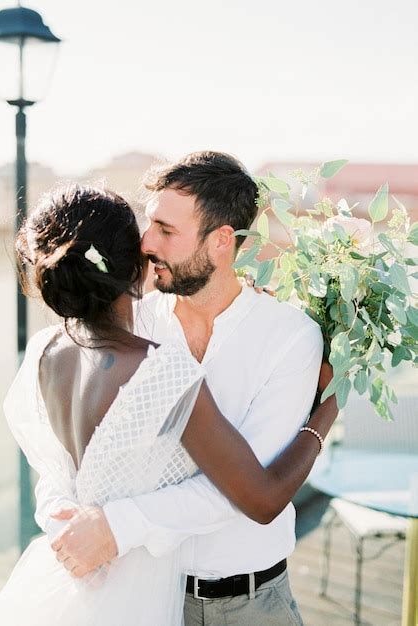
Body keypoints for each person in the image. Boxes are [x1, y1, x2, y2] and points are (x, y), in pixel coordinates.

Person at [27, 153, 338, 626]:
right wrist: (66, 522)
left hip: (248, 604)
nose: (146, 243)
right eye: (149, 223)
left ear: (220, 242)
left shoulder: (289, 335)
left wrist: (114, 528)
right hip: (140, 600)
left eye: (166, 231)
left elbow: (244, 491)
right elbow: (66, 462)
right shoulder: (134, 321)